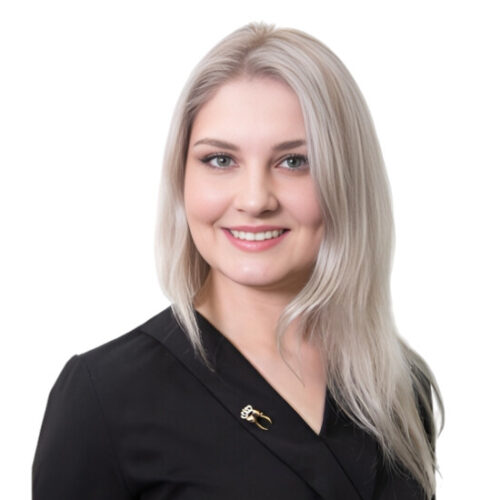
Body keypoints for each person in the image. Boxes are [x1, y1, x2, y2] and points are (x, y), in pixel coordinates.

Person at [32, 22, 444, 499]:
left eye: (294, 161)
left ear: (346, 177)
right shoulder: (104, 397)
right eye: (220, 160)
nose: (254, 200)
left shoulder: (396, 385)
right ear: (182, 178)